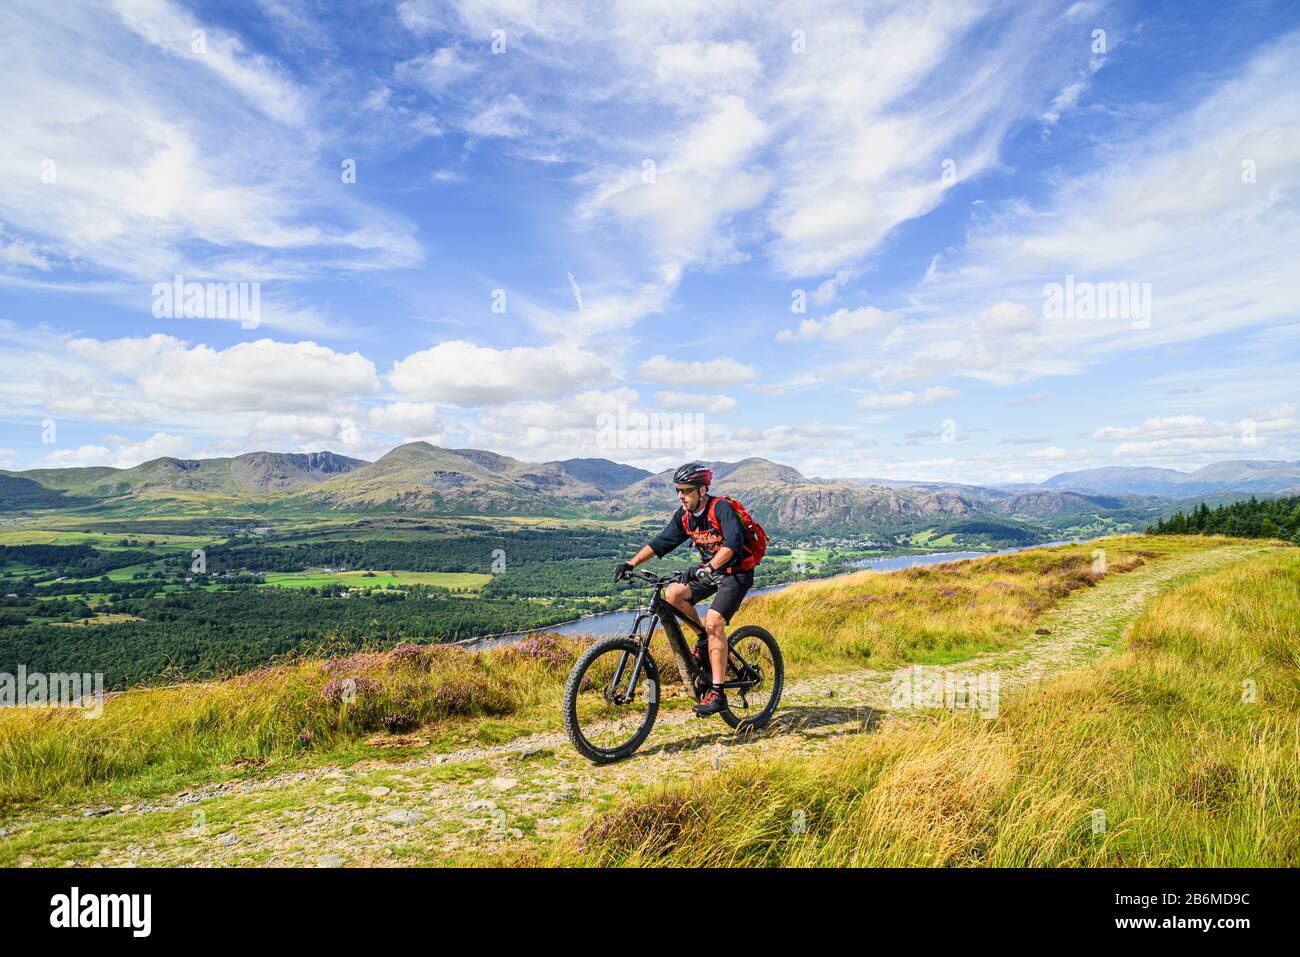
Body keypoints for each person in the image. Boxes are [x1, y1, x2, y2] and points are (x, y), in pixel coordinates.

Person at [613, 462, 761, 717]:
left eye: (687, 490)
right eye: (678, 490)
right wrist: (631, 562)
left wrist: (708, 568)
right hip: (710, 572)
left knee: (714, 621)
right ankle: (704, 640)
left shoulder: (720, 508)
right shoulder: (685, 516)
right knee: (673, 593)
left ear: (702, 490)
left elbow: (733, 544)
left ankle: (717, 694)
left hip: (735, 574)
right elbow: (661, 542)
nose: (681, 495)